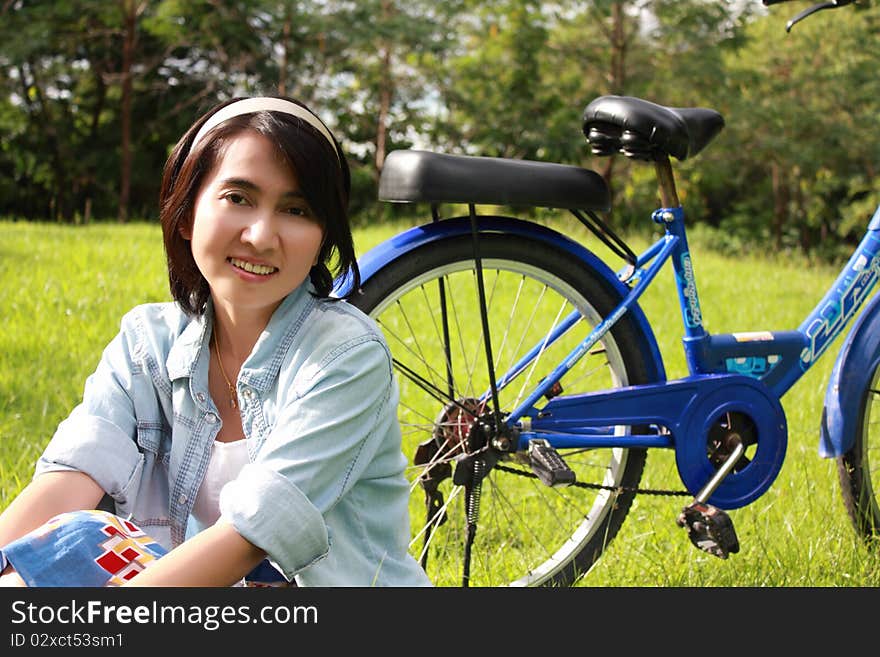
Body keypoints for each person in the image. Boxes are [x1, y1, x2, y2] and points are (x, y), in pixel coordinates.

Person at [0, 96, 432, 587]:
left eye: (295, 209)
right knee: (68, 542)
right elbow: (70, 479)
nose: (262, 236)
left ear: (321, 238)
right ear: (186, 213)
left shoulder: (346, 356)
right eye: (238, 198)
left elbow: (250, 537)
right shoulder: (147, 344)